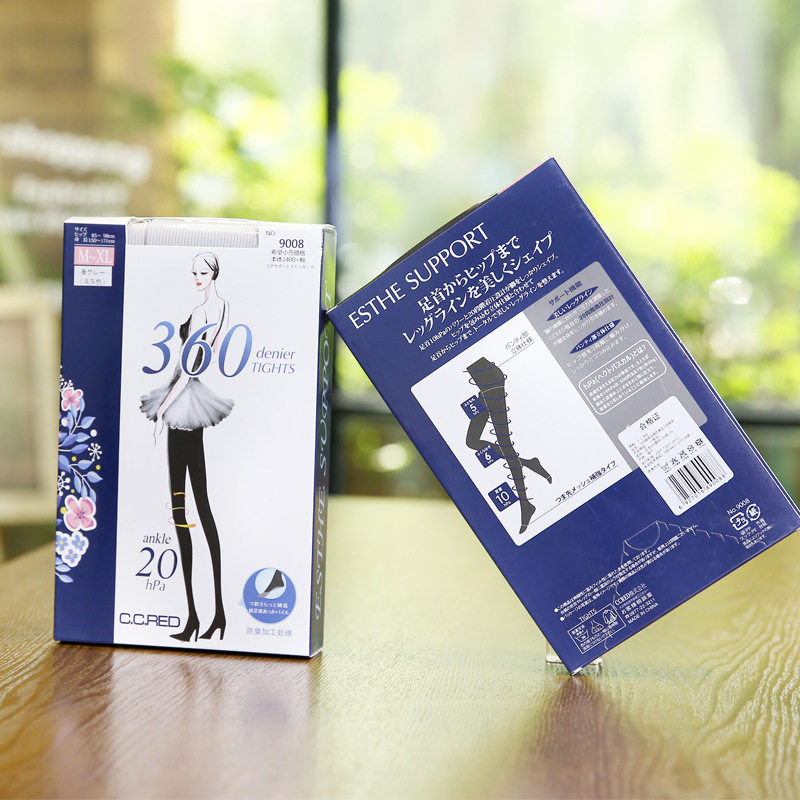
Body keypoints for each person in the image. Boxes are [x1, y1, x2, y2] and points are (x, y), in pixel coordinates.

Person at [140, 252, 232, 642]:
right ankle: (207, 614)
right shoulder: (213, 308)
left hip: (183, 405)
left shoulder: (207, 310)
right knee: (195, 508)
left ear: (215, 273)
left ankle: (204, 615)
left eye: (203, 271)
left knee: (188, 508)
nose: (197, 277)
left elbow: (191, 365)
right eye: (194, 272)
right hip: (188, 400)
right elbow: (199, 360)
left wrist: (162, 408)